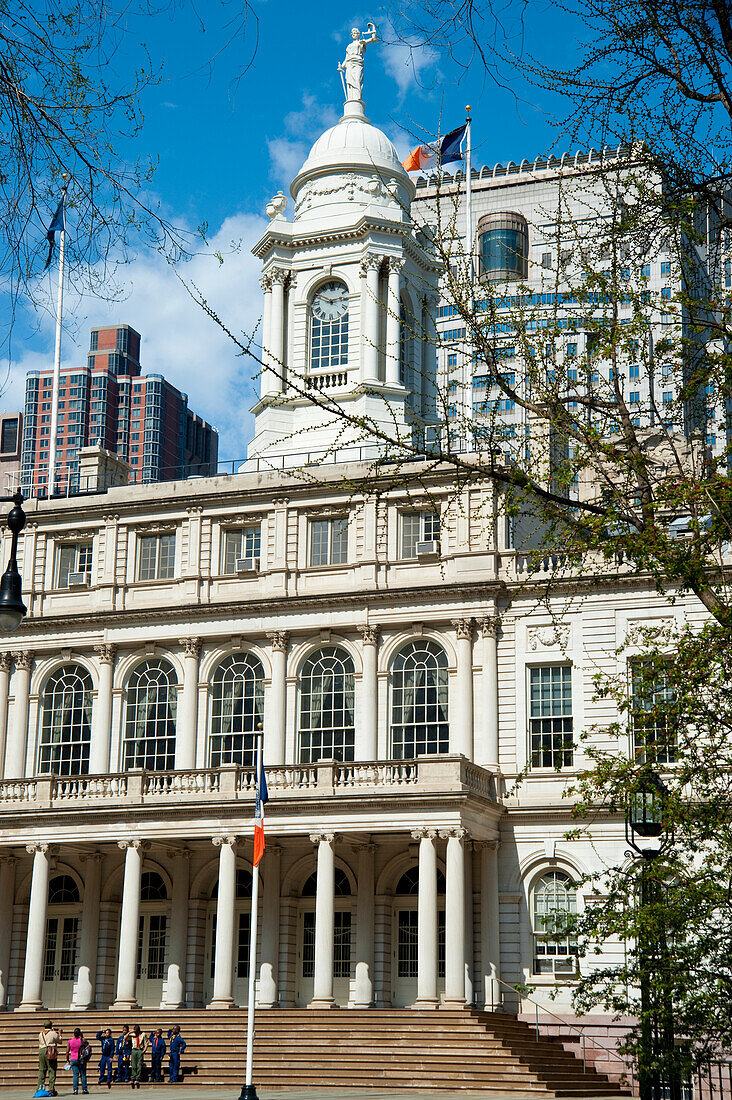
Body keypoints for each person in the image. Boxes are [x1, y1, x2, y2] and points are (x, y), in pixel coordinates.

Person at [37, 1021, 61, 1097]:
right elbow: (60, 1041)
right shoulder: (53, 1033)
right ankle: (51, 1088)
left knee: (42, 1070)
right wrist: (59, 1034)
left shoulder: (40, 1034)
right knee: (52, 1070)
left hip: (41, 1051)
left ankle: (40, 1088)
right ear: (51, 1026)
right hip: (50, 1051)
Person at [66, 1027, 89, 1095]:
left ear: (74, 1034)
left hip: (73, 1059)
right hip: (81, 1059)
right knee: (83, 1074)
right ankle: (84, 1089)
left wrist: (68, 1060)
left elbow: (67, 1052)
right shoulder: (83, 1040)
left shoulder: (70, 1041)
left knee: (75, 1075)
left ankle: (75, 1090)